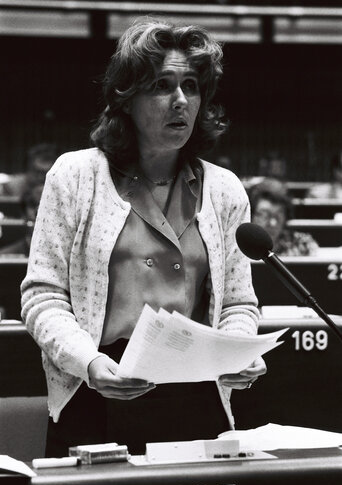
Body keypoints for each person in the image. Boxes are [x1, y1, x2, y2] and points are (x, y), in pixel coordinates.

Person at [21, 18, 265, 457]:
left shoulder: (225, 188)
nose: (180, 101)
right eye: (161, 85)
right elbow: (43, 297)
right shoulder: (75, 176)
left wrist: (237, 352)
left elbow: (238, 304)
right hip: (101, 390)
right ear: (127, 99)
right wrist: (89, 364)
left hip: (197, 396)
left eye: (191, 86)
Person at [250, 182, 319, 256]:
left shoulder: (303, 244)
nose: (273, 223)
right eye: (265, 215)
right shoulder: (238, 247)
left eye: (278, 216)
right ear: (251, 215)